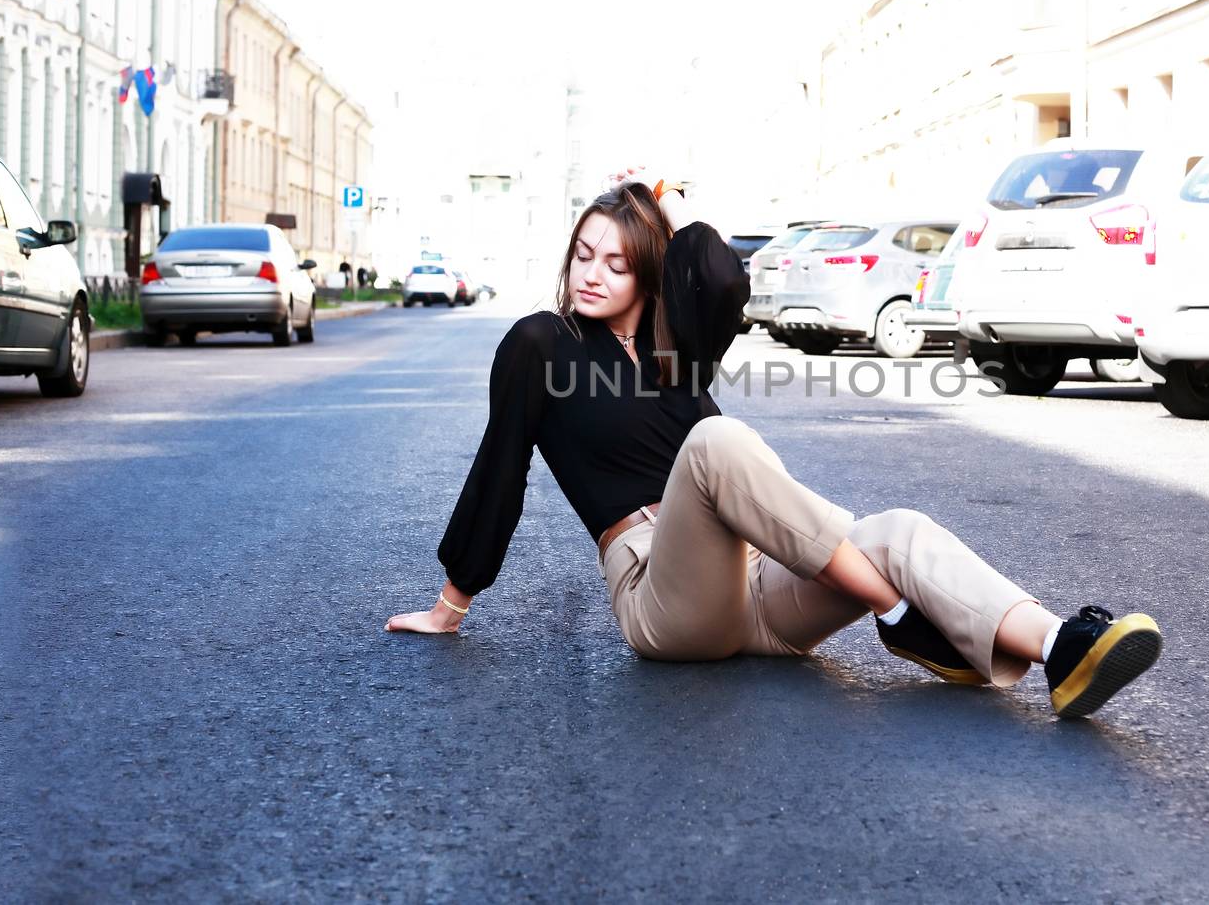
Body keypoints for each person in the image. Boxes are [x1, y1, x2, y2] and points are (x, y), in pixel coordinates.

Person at [386, 174, 1162, 718]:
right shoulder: (540, 343)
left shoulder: (675, 350)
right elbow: (500, 469)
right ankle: (898, 614)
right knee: (718, 440)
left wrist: (671, 204)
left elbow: (721, 280)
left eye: (618, 261)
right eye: (583, 255)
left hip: (760, 596)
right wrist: (451, 605)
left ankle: (1061, 648)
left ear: (648, 271)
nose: (593, 273)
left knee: (899, 530)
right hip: (665, 600)